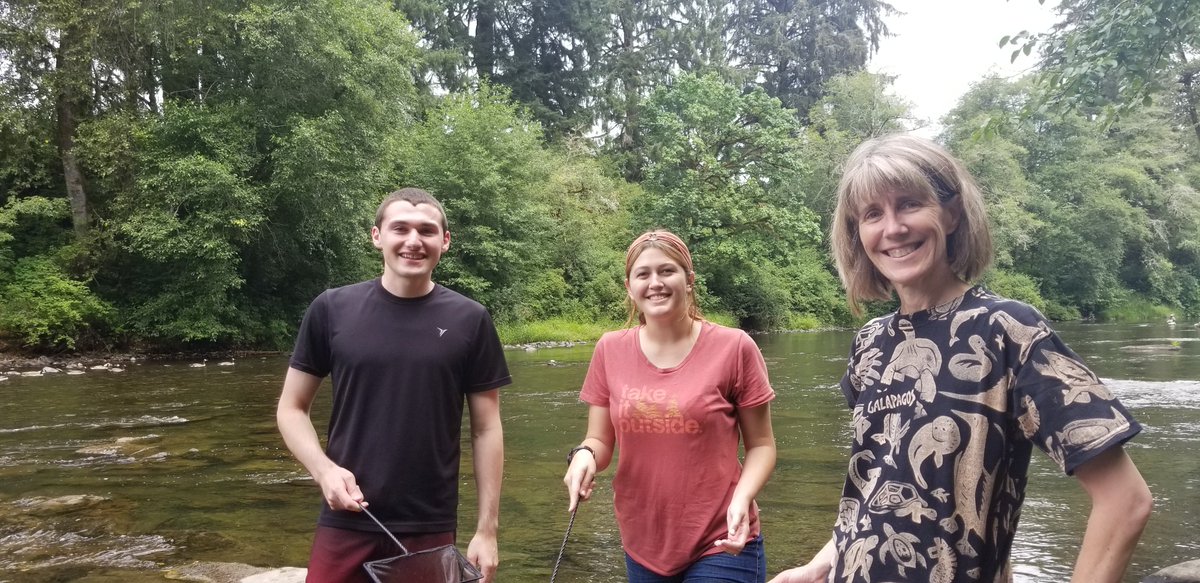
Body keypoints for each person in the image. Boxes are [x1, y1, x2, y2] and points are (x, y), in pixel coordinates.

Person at [769, 134, 1152, 583]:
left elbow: (1126, 500)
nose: (892, 228)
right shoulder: (870, 345)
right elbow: (875, 487)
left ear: (950, 215)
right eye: (873, 214)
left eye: (909, 204)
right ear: (857, 234)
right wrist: (818, 565)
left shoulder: (1008, 329)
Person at [277, 187, 510, 583]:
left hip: (430, 524)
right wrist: (324, 471)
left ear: (445, 241)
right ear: (377, 236)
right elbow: (291, 408)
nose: (414, 241)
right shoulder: (332, 309)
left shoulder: (471, 320)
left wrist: (487, 530)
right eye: (400, 228)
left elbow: (486, 429)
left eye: (427, 230)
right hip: (346, 517)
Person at [563, 230, 778, 582]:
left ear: (689, 280)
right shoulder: (609, 349)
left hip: (722, 537)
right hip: (642, 542)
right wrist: (585, 454)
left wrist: (742, 498)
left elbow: (762, 446)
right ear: (629, 286)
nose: (655, 283)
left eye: (667, 271)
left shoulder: (735, 347)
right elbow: (600, 441)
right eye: (643, 274)